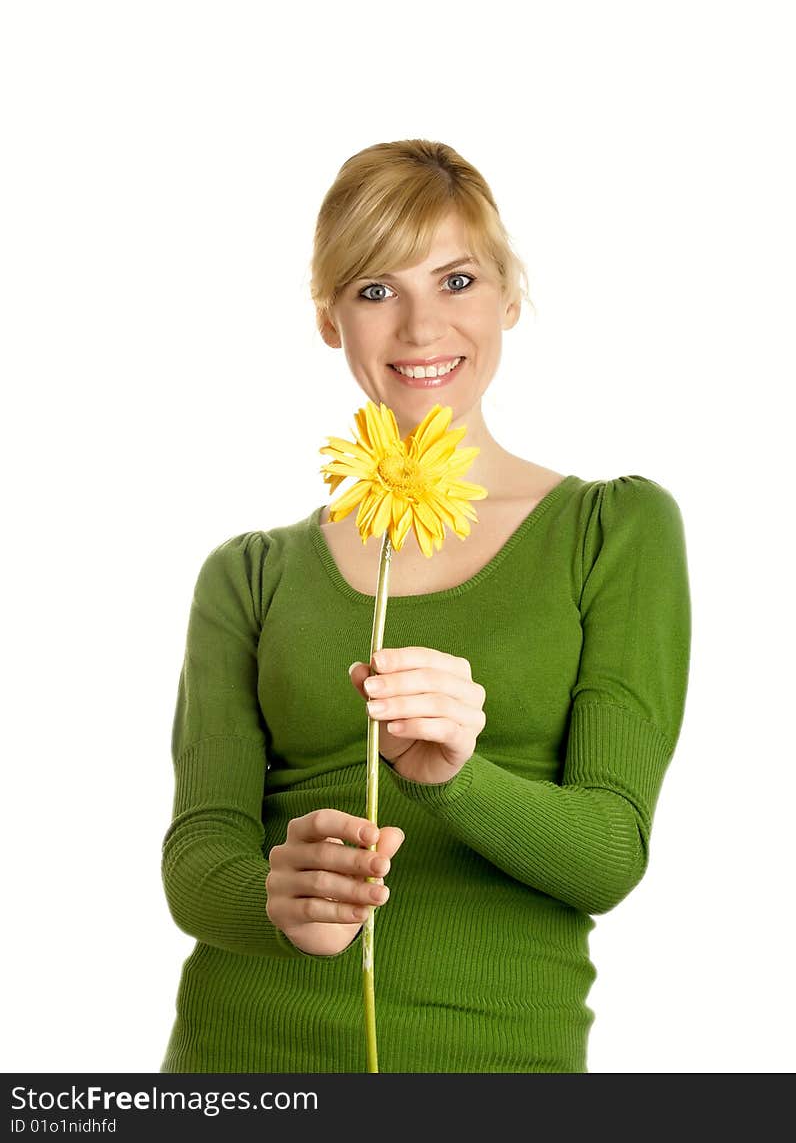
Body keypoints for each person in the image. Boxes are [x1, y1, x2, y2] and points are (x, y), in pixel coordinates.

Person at [159, 138, 692, 1074]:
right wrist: (275, 898)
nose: (418, 327)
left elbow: (610, 854)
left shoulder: (613, 529)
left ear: (509, 296)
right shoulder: (247, 574)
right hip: (245, 1061)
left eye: (455, 279)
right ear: (330, 319)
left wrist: (456, 776)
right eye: (374, 289)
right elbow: (199, 854)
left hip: (498, 1059)